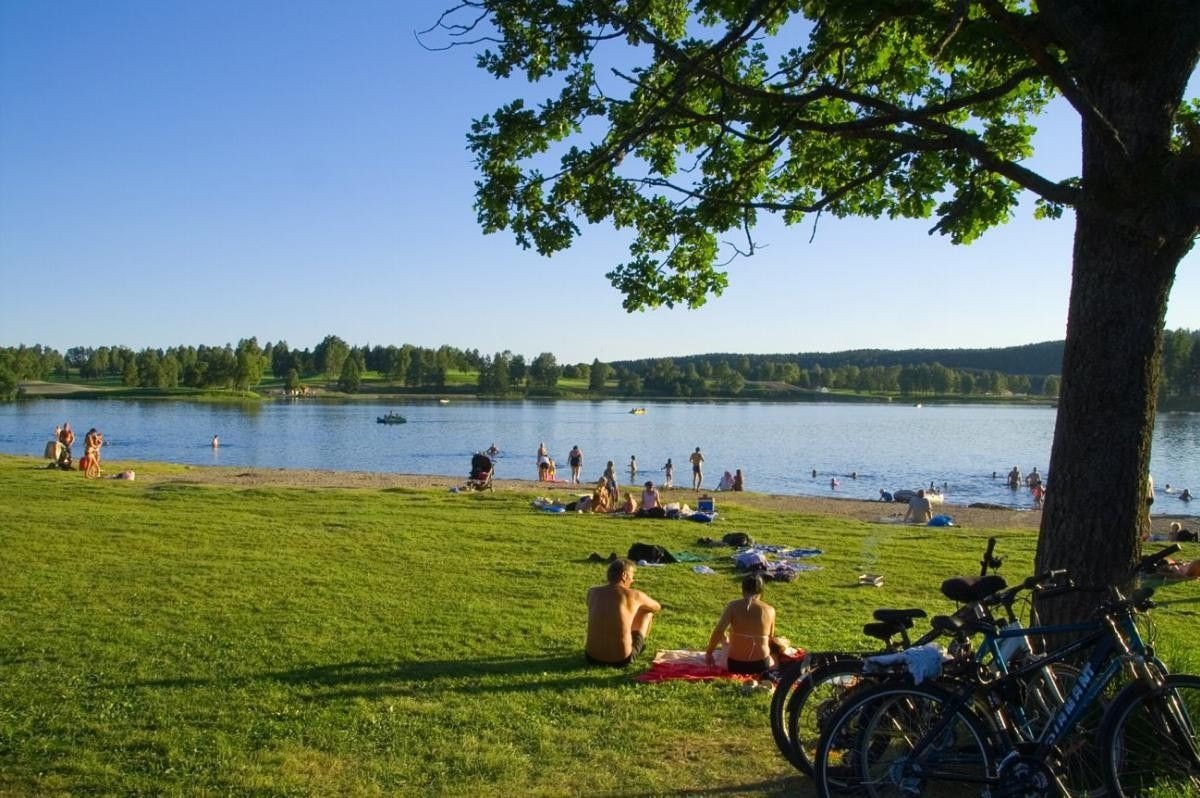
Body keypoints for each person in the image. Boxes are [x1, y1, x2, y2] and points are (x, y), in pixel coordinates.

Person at [586, 559, 660, 666]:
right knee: (647, 612)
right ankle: (640, 644)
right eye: (632, 576)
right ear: (624, 575)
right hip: (621, 660)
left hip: (591, 657)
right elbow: (656, 607)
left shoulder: (592, 592)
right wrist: (637, 606)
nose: (633, 580)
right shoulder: (635, 595)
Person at [705, 574, 779, 676]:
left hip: (734, 665)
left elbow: (718, 631)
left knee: (723, 636)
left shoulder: (733, 606)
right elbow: (771, 637)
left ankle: (727, 644)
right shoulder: (770, 610)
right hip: (762, 665)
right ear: (761, 591)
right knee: (773, 654)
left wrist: (709, 653)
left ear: (743, 590)